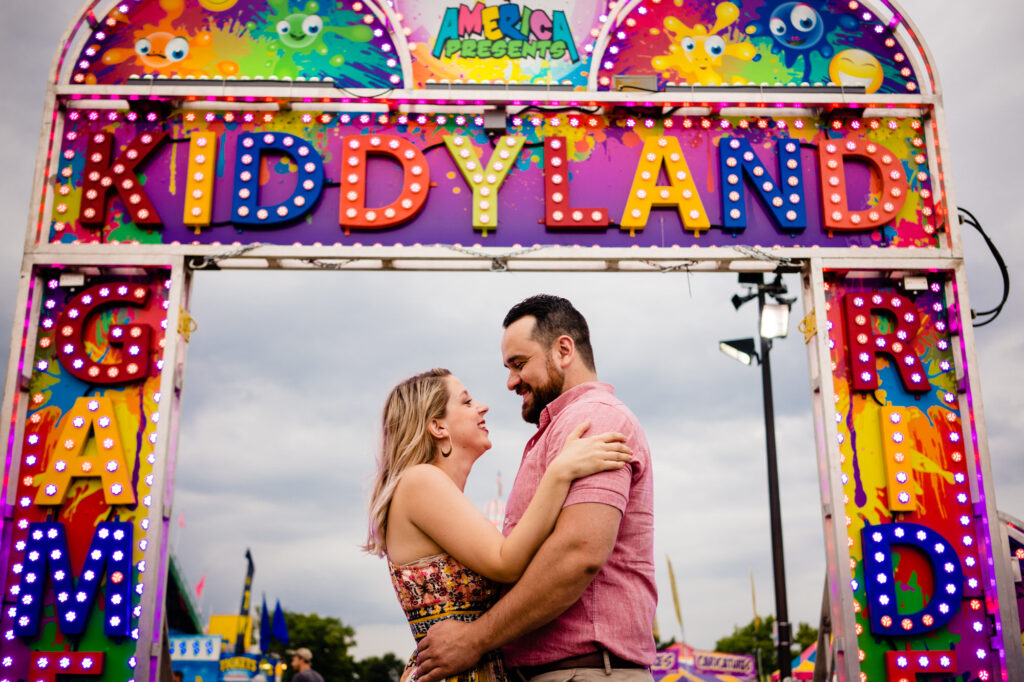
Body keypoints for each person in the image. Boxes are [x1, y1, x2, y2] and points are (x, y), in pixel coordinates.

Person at [415, 294, 656, 682]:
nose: (511, 381)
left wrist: (474, 639)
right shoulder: (562, 428)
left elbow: (578, 554)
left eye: (519, 364)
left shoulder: (594, 418)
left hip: (583, 672)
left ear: (563, 350)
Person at [365, 368, 634, 682]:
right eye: (466, 402)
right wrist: (560, 472)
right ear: (437, 427)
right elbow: (506, 562)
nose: (482, 406)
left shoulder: (426, 487)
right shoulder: (420, 480)